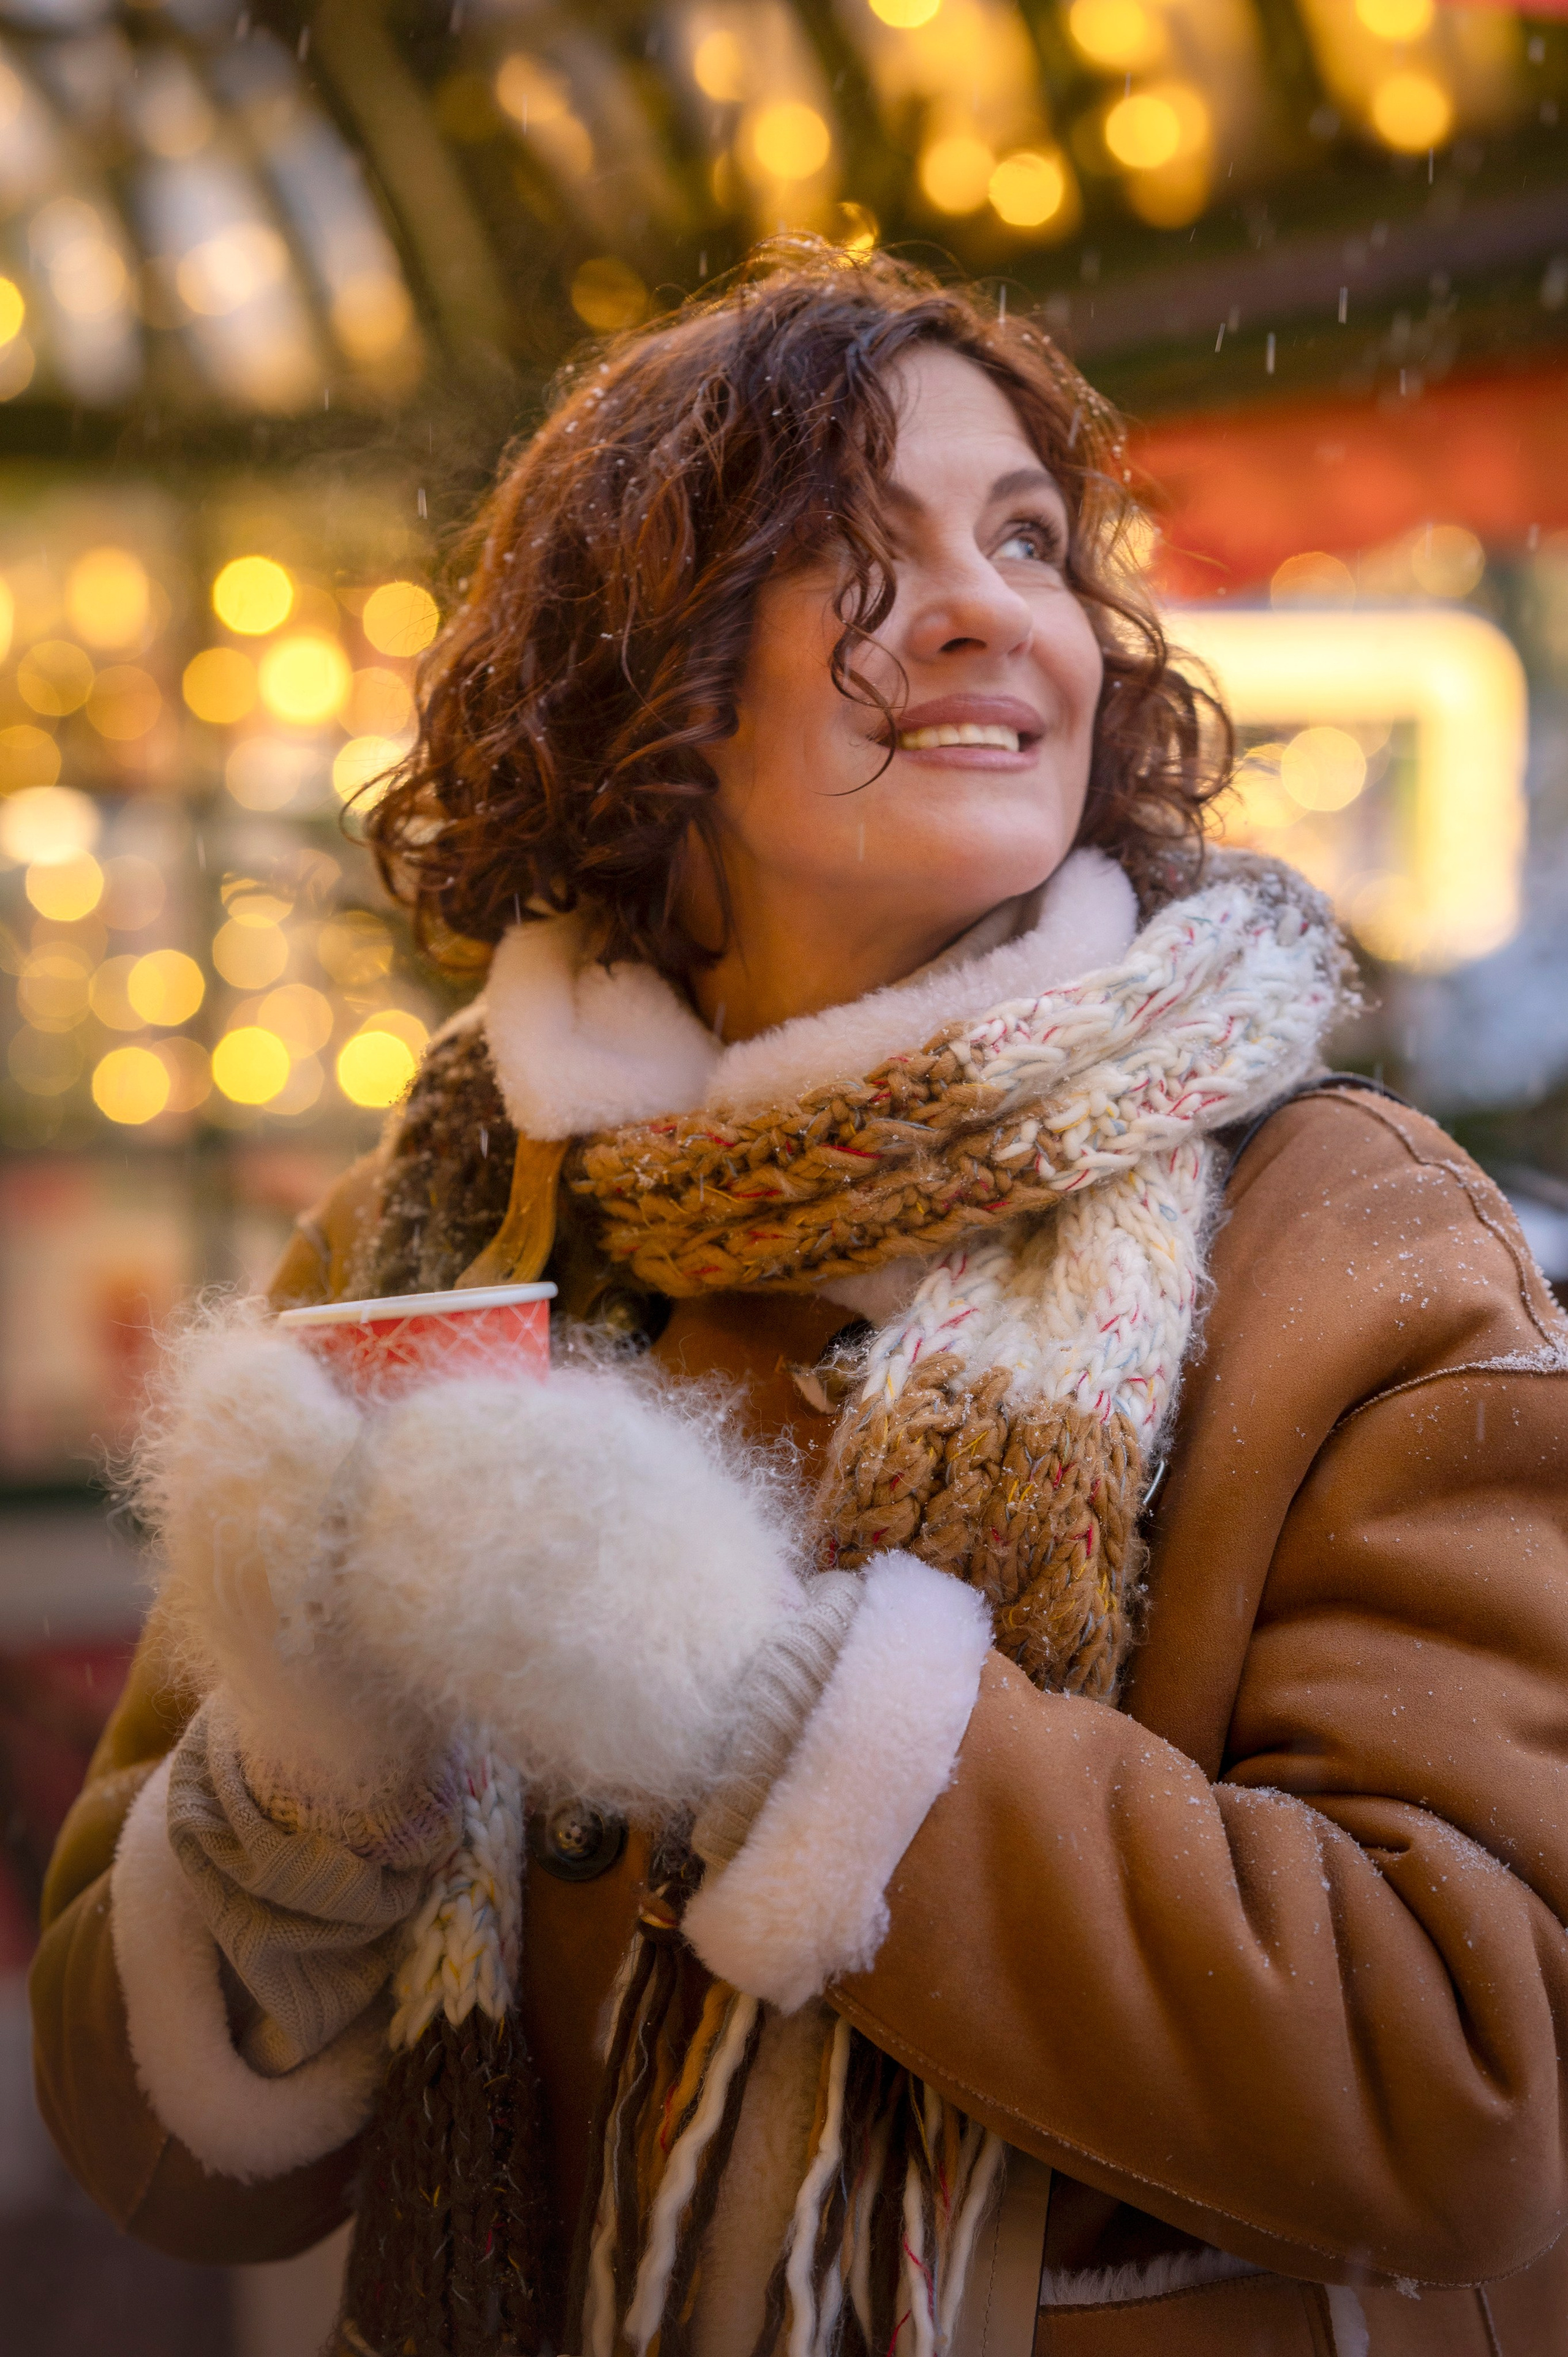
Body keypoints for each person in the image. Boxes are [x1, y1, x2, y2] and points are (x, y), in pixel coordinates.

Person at [31, 242, 1568, 2357]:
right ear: (641, 686)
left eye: (1029, 538)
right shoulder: (436, 1230)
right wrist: (305, 1807)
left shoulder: (1340, 1239)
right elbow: (164, 2160)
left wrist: (766, 1707)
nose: (985, 604)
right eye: (850, 547)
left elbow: (1474, 2093)